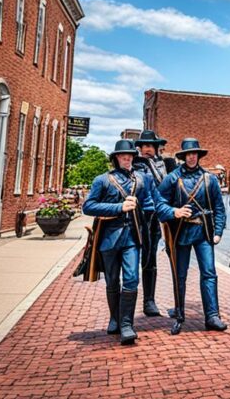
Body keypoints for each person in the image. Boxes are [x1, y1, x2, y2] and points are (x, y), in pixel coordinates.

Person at [80, 139, 158, 345]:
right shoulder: (103, 180)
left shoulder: (142, 179)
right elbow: (88, 207)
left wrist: (140, 205)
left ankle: (126, 324)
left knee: (132, 279)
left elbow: (150, 205)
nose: (127, 158)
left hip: (132, 237)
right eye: (123, 156)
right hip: (108, 238)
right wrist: (118, 208)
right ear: (116, 158)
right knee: (112, 281)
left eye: (130, 156)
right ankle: (114, 318)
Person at [154, 138, 227, 335]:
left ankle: (212, 315)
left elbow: (219, 208)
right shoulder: (172, 178)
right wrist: (174, 212)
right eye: (189, 154)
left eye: (195, 153)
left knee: (209, 273)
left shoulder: (209, 179)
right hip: (180, 232)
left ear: (199, 155)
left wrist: (218, 231)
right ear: (184, 156)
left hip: (203, 233)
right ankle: (179, 314)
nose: (192, 157)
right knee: (180, 275)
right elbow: (158, 203)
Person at [131, 129, 176, 317]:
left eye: (150, 146)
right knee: (140, 258)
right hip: (140, 216)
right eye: (144, 146)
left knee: (162, 258)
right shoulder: (134, 164)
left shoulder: (167, 164)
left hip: (162, 216)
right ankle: (141, 301)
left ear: (157, 148)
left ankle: (159, 301)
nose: (147, 149)